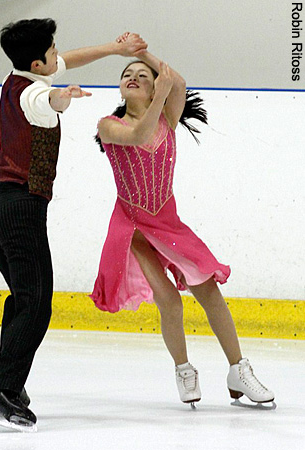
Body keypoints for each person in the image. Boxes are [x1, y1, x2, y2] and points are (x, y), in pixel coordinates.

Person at [0, 19, 147, 430]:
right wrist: (62, 98)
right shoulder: (36, 91)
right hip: (20, 210)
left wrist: (114, 48)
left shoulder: (18, 74)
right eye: (53, 52)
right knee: (36, 305)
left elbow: (67, 62)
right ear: (39, 61)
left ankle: (9, 383)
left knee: (23, 299)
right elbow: (47, 100)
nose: (59, 55)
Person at [91, 39, 274, 408]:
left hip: (169, 223)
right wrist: (156, 91)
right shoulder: (109, 125)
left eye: (142, 75)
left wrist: (140, 53)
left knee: (208, 288)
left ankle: (238, 370)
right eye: (127, 74)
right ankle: (184, 369)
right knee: (170, 302)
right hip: (134, 228)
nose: (133, 76)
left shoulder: (167, 117)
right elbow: (139, 136)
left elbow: (178, 81)